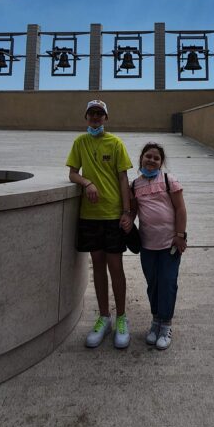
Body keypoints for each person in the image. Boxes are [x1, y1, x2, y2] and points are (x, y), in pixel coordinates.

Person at [66, 99, 133, 349]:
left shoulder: (115, 143)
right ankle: (104, 317)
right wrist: (87, 183)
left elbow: (123, 177)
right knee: (98, 266)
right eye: (91, 113)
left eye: (100, 114)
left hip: (112, 215)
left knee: (116, 267)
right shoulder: (80, 143)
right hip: (90, 216)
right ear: (86, 117)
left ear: (106, 118)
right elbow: (72, 172)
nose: (95, 117)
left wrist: (126, 211)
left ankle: (122, 318)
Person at [130, 141, 187, 351]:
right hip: (147, 245)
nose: (151, 160)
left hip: (169, 244)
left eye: (156, 158)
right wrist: (128, 218)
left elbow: (180, 209)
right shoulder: (135, 185)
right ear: (141, 159)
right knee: (152, 283)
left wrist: (180, 235)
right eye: (148, 156)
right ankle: (155, 321)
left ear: (161, 163)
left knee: (168, 282)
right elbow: (133, 211)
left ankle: (166, 325)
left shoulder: (168, 180)